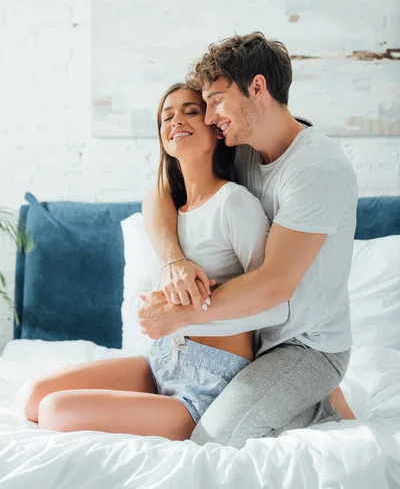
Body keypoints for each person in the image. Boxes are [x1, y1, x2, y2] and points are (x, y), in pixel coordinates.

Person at [14, 82, 288, 440]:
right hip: (162, 359)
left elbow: (272, 301)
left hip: (211, 382)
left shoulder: (234, 204)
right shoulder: (169, 207)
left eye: (191, 111)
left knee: (54, 411)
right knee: (31, 397)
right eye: (166, 116)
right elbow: (156, 204)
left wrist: (194, 308)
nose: (177, 120)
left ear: (215, 128)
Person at [139, 31, 357, 449]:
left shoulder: (315, 169)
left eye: (217, 100)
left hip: (305, 346)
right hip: (256, 339)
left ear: (257, 87)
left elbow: (275, 286)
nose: (209, 117)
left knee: (216, 440)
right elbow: (163, 193)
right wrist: (173, 260)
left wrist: (178, 315)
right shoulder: (243, 150)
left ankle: (320, 404)